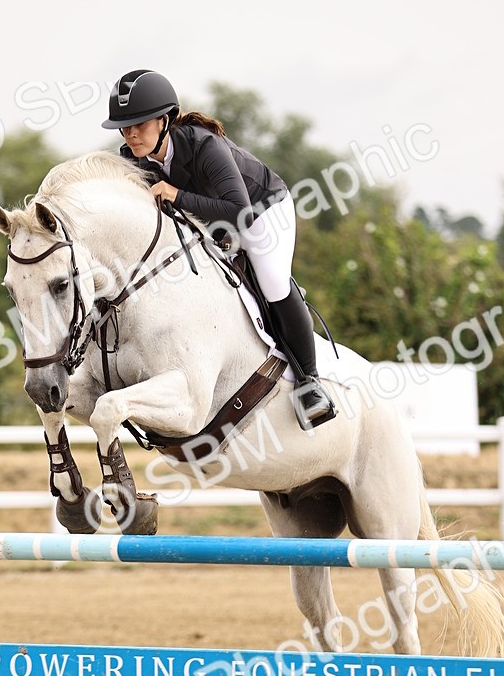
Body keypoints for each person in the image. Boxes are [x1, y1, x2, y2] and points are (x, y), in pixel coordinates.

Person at [101, 69, 335, 428]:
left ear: (165, 121)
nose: (130, 134)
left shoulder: (202, 144)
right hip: (213, 219)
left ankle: (310, 382)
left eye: (140, 124)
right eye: (124, 126)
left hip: (262, 209)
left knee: (271, 281)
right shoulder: (134, 160)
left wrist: (176, 194)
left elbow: (241, 211)